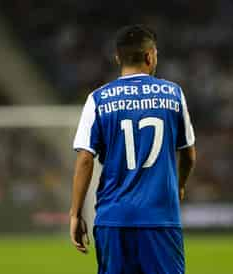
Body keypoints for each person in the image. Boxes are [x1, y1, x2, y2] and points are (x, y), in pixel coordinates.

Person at [69, 24, 196, 274]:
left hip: (113, 219)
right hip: (160, 218)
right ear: (150, 56)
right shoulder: (173, 94)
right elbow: (188, 153)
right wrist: (179, 185)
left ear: (118, 57)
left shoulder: (98, 99)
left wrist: (76, 213)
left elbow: (85, 159)